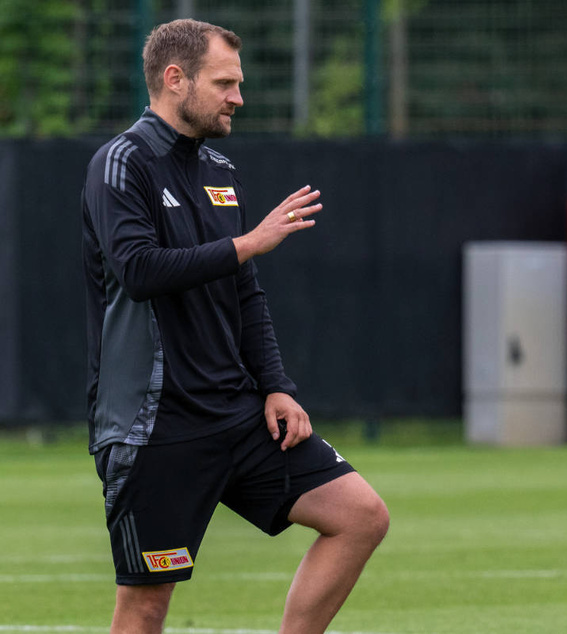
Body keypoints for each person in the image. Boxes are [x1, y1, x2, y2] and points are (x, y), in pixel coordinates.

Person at [81, 19, 389, 633]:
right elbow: (139, 270)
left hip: (238, 413)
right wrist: (249, 243)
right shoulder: (119, 165)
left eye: (238, 84)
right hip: (155, 425)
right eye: (225, 83)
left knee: (361, 515)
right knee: (146, 604)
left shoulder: (219, 168)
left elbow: (244, 291)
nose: (238, 98)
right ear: (175, 79)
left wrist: (276, 385)